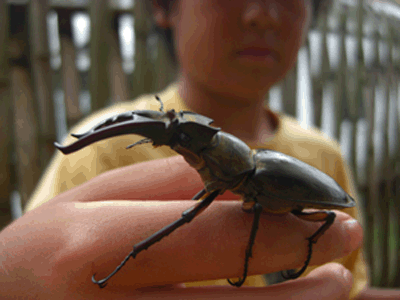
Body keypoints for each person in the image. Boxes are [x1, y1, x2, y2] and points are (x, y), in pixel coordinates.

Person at [1, 0, 399, 299]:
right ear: (163, 7)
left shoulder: (323, 153)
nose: (262, 14)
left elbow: (348, 281)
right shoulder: (101, 160)